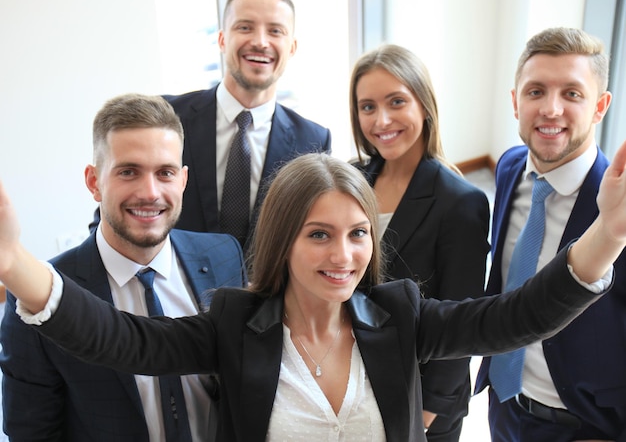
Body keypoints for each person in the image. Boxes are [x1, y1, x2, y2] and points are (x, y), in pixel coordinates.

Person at [0, 149, 625, 442]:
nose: (343, 256)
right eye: (319, 235)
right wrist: (15, 264)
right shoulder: (234, 323)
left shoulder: (401, 315)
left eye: (357, 235)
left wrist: (607, 234)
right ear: (284, 242)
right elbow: (119, 337)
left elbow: (514, 318)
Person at [0, 94, 248, 442]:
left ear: (183, 180)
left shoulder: (225, 256)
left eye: (165, 173)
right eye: (129, 172)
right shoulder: (37, 298)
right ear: (93, 182)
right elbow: (32, 434)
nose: (150, 192)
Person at [87, 0, 332, 249]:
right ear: (222, 39)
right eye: (245, 27)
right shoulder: (165, 120)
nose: (261, 42)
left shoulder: (313, 140)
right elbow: (109, 218)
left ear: (292, 47)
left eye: (275, 31)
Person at [474, 27, 626, 441]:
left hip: (583, 425)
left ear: (600, 107)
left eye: (572, 94)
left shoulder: (619, 210)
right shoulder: (508, 168)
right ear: (515, 101)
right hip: (504, 406)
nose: (551, 109)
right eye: (535, 91)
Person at [349, 44, 490, 441]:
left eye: (397, 102)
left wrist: (423, 416)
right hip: (352, 385)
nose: (382, 120)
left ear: (424, 106)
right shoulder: (350, 179)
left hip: (420, 401)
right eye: (368, 106)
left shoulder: (461, 203)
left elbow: (460, 319)